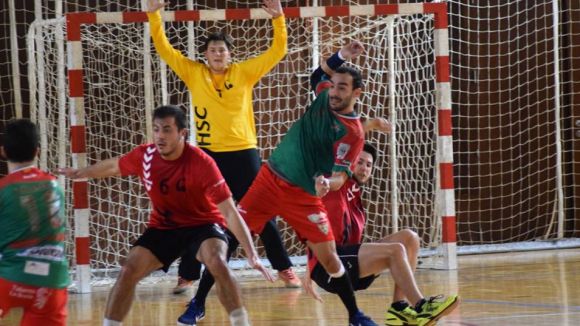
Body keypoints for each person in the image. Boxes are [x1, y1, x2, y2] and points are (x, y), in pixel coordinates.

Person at [58, 105, 272, 326]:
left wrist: (252, 254)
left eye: (167, 130)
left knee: (217, 261)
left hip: (203, 225)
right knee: (128, 270)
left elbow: (229, 210)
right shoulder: (146, 156)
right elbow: (113, 166)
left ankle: (241, 323)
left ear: (182, 133)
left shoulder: (201, 163)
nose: (160, 136)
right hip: (164, 227)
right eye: (157, 129)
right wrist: (82, 173)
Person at [145, 0, 300, 294]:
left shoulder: (244, 73)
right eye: (213, 50)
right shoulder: (194, 73)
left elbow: (277, 51)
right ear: (205, 55)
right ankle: (188, 275)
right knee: (198, 214)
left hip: (244, 152)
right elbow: (165, 49)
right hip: (208, 155)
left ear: (230, 54)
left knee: (261, 211)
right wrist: (154, 14)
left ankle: (284, 267)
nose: (218, 53)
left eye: (222, 50)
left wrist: (279, 19)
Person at [233, 40, 381, 325]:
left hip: (303, 193)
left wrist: (327, 181)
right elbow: (318, 77)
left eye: (342, 87)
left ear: (356, 93)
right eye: (334, 85)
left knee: (330, 256)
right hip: (271, 178)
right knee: (231, 234)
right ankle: (198, 301)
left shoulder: (352, 133)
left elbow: (341, 174)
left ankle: (355, 314)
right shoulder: (324, 99)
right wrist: (341, 56)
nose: (335, 91)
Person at [303, 143, 460, 326]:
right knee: (395, 251)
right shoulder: (334, 183)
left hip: (348, 261)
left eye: (369, 165)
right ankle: (421, 305)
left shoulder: (355, 196)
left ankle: (398, 310)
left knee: (410, 238)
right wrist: (310, 265)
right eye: (359, 162)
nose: (364, 168)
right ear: (348, 163)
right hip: (330, 268)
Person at [0, 119, 69, 326]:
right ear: (37, 151)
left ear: (3, 152)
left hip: (10, 277)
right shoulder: (55, 185)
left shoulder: (4, 189)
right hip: (51, 279)